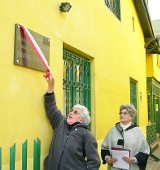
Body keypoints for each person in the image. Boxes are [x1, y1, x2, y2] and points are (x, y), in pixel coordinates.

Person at [43, 73, 101, 170]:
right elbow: (51, 106)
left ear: (81, 120)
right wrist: (51, 86)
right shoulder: (60, 122)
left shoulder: (87, 135)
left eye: (76, 112)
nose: (71, 112)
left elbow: (94, 162)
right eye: (71, 110)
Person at [101, 104, 150, 170]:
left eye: (125, 113)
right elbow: (104, 148)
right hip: (114, 168)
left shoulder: (137, 132)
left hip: (132, 167)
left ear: (131, 117)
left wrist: (133, 159)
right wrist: (108, 158)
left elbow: (145, 151)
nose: (121, 115)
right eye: (120, 113)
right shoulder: (112, 130)